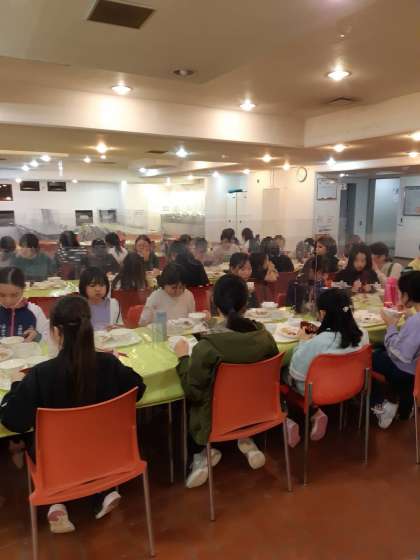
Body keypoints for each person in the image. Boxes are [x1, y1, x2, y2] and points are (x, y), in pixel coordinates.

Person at [0, 295, 145, 533]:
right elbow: (138, 389)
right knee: (88, 438)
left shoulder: (41, 374)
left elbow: (13, 421)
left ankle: (56, 501)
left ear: (56, 332)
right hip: (108, 453)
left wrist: (17, 384)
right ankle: (104, 490)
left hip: (57, 461)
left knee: (40, 440)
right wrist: (115, 363)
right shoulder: (109, 364)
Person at [174, 274, 279, 488]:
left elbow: (193, 391)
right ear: (246, 302)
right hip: (257, 410)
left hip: (217, 418)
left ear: (214, 302)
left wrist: (183, 358)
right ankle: (248, 441)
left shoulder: (208, 346)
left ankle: (200, 456)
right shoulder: (265, 336)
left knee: (187, 405)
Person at [287, 288, 369, 445]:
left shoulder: (319, 342)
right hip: (351, 386)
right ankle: (315, 413)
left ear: (323, 313)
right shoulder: (362, 334)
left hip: (319, 391)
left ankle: (289, 418)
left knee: (283, 373)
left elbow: (295, 372)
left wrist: (303, 340)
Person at [371, 271, 420, 429]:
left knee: (365, 358)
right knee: (379, 349)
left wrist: (391, 325)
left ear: (407, 295)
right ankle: (404, 405)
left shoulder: (416, 322)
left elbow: (398, 354)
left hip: (405, 370)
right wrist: (408, 315)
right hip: (415, 368)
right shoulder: (415, 319)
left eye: (400, 292)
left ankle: (384, 404)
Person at [0, 266, 49, 341]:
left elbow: (49, 340)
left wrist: (38, 337)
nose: (8, 301)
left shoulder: (35, 311)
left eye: (14, 295)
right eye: (2, 295)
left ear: (23, 289)